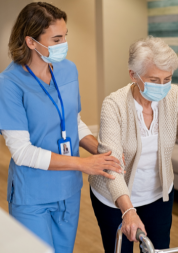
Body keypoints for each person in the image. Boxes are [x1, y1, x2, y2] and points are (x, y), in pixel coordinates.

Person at [0, 3, 123, 253]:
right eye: (57, 39)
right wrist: (85, 164)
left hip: (68, 190)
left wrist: (101, 151)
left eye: (65, 36)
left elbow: (73, 121)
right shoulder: (9, 83)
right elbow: (22, 152)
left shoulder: (68, 69)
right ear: (31, 41)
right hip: (32, 194)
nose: (64, 43)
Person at [89, 36, 178, 253]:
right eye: (155, 80)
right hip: (114, 200)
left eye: (168, 79)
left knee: (159, 249)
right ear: (133, 75)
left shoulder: (174, 97)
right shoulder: (114, 105)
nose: (163, 86)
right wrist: (128, 210)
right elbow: (111, 165)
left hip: (158, 195)